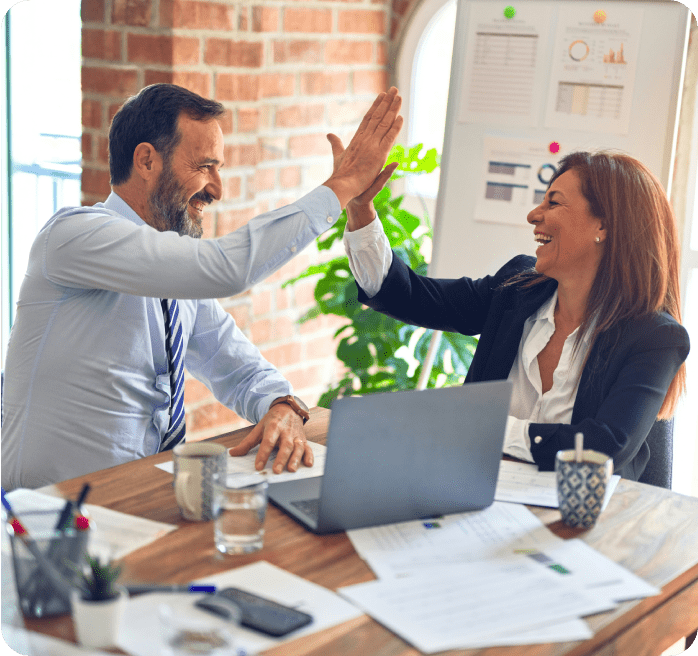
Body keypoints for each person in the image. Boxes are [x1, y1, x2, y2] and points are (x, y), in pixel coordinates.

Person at [1, 83, 403, 490]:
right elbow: (228, 268)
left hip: (136, 501)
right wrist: (343, 185)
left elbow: (238, 367)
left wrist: (281, 405)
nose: (217, 189)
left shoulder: (172, 278)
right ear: (146, 161)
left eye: (219, 169)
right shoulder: (75, 236)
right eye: (204, 166)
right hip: (43, 516)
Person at [342, 150, 689, 480]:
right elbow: (414, 297)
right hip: (477, 494)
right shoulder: (517, 289)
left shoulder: (654, 337)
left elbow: (603, 448)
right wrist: (360, 210)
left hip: (586, 523)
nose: (534, 215)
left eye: (553, 202)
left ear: (603, 226)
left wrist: (484, 426)